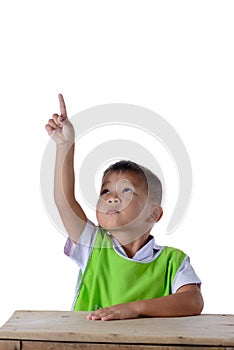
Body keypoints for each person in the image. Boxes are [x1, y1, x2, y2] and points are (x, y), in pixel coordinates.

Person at [45, 94, 203, 321]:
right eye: (105, 191)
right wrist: (65, 144)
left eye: (127, 190)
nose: (112, 198)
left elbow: (193, 301)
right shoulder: (93, 246)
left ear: (154, 214)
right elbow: (64, 201)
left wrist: (135, 308)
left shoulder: (173, 261)